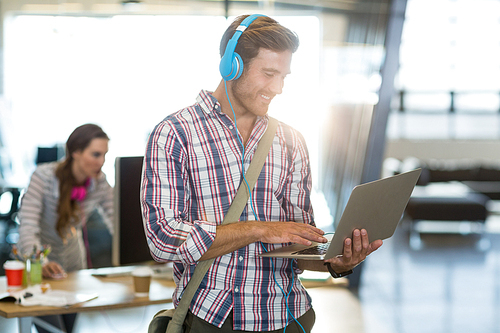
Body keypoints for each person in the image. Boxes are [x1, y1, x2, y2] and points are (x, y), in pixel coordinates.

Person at [141, 14, 383, 333]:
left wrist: (333, 261)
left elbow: (297, 245)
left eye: (284, 76)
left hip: (289, 317)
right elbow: (163, 238)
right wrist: (257, 230)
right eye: (269, 73)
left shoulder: (292, 140)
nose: (278, 88)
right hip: (213, 319)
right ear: (232, 66)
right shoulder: (174, 134)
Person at [17, 123, 113, 333]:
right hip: (39, 266)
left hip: (72, 267)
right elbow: (28, 224)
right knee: (52, 330)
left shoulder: (99, 183)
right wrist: (39, 261)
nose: (101, 162)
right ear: (76, 152)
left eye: (105, 155)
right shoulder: (43, 176)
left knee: (68, 329)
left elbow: (118, 220)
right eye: (96, 154)